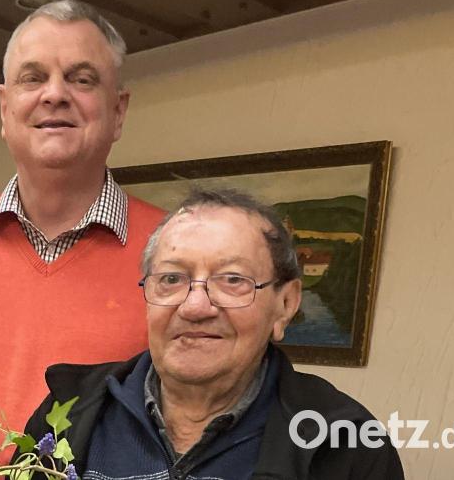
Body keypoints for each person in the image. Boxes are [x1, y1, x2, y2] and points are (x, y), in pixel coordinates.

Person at [25, 189, 404, 479]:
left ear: (285, 304)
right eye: (171, 279)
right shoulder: (67, 411)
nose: (194, 307)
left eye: (233, 280)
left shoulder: (346, 442)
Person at [0, 0, 165, 438]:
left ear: (119, 111)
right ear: (4, 108)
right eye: (33, 78)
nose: (54, 94)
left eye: (81, 79)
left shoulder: (175, 255)